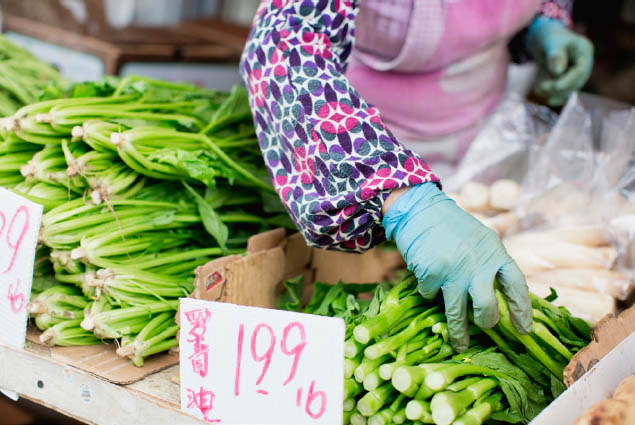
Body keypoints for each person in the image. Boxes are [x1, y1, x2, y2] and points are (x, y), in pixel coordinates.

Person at [239, 0, 593, 351]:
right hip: (361, 148)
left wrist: (543, 23)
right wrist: (397, 196)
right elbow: (281, 44)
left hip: (483, 134)